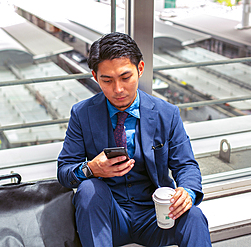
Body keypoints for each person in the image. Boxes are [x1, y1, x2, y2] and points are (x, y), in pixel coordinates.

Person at [57, 32, 211, 247]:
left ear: (140, 69)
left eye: (125, 77)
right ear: (94, 76)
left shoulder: (167, 113)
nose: (118, 89)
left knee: (194, 215)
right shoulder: (82, 114)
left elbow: (186, 165)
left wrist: (188, 192)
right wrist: (91, 169)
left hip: (157, 216)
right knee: (89, 189)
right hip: (109, 219)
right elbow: (64, 172)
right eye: (107, 80)